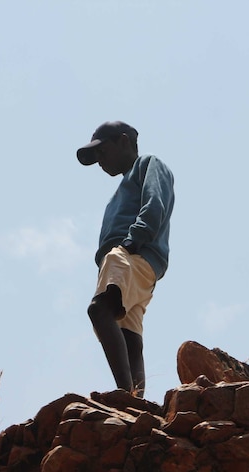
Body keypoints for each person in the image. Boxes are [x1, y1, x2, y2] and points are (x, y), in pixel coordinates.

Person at [76, 121, 175, 399]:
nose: (99, 160)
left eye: (102, 151)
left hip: (131, 254)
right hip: (130, 259)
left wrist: (133, 240)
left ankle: (123, 392)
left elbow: (155, 202)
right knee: (129, 335)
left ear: (123, 141)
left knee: (100, 310)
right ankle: (135, 400)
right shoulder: (119, 190)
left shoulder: (148, 164)